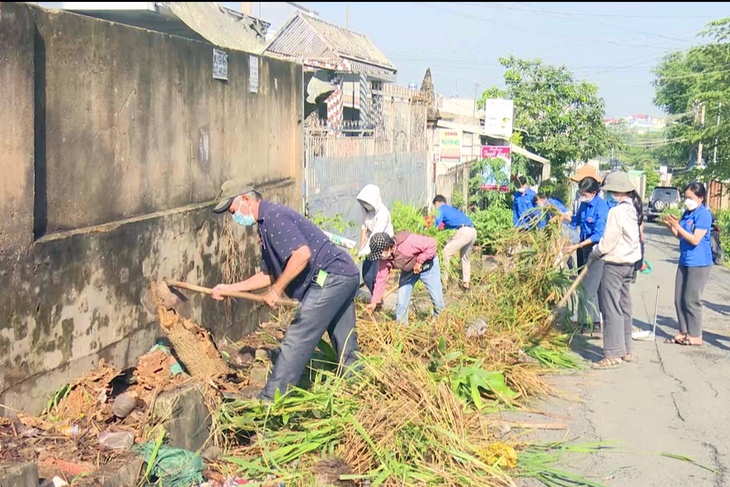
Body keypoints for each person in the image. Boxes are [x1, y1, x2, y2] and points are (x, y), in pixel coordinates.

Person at [210, 180, 361, 400]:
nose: (234, 217)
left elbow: (302, 255)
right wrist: (228, 288)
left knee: (298, 336)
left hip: (330, 277)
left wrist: (276, 290)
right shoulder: (265, 224)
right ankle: (359, 388)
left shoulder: (273, 217)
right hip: (344, 273)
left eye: (233, 211)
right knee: (344, 339)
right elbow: (269, 273)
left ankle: (270, 400)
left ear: (245, 199)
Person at [588, 172, 642, 369]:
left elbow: (608, 241)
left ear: (617, 191)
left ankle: (612, 354)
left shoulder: (617, 212)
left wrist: (595, 252)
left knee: (611, 308)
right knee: (624, 306)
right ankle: (626, 349)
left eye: (610, 191)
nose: (609, 194)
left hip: (615, 264)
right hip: (629, 265)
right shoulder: (632, 209)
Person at [663, 182, 713, 347]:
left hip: (699, 263)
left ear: (700, 198)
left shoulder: (704, 214)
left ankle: (695, 335)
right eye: (685, 197)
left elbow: (694, 239)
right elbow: (681, 236)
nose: (687, 201)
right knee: (679, 298)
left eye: (690, 198)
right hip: (685, 260)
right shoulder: (687, 213)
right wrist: (672, 227)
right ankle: (683, 331)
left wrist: (678, 226)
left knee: (691, 299)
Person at [365, 231, 445, 324]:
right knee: (401, 302)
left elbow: (432, 243)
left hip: (428, 267)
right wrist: (374, 301)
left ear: (388, 247)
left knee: (437, 299)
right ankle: (401, 327)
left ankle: (439, 322)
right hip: (408, 271)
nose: (379, 257)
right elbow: (381, 279)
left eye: (380, 254)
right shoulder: (384, 259)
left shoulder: (407, 243)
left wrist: (419, 262)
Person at [563, 177, 609, 333]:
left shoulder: (602, 207)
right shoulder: (584, 204)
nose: (582, 196)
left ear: (594, 193)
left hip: (595, 250)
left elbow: (598, 234)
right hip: (582, 248)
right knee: (583, 286)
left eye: (584, 194)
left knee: (590, 288)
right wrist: (562, 216)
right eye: (581, 193)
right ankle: (587, 320)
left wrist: (577, 245)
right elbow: (576, 221)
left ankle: (592, 322)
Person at [432, 194, 478, 290]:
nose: (435, 208)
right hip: (473, 231)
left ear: (437, 203)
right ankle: (466, 284)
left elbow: (436, 225)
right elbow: (446, 226)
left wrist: (430, 232)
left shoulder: (441, 209)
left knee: (446, 252)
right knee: (465, 258)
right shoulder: (451, 210)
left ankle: (444, 282)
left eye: (434, 206)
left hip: (464, 231)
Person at [355, 184, 394, 297]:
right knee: (366, 275)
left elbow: (376, 233)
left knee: (376, 275)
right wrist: (361, 246)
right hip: (370, 244)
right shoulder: (365, 209)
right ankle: (376, 297)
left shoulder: (383, 213)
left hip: (383, 244)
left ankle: (377, 299)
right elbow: (364, 226)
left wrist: (365, 250)